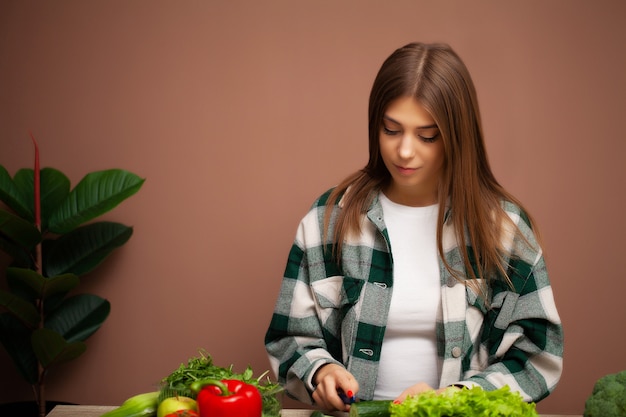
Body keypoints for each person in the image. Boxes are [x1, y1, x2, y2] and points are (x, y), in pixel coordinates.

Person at [264, 42, 563, 412]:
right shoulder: (328, 220)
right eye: (391, 130)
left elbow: (538, 356)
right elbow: (289, 338)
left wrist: (458, 399)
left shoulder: (504, 229)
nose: (405, 151)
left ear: (458, 136)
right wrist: (320, 372)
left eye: (427, 136)